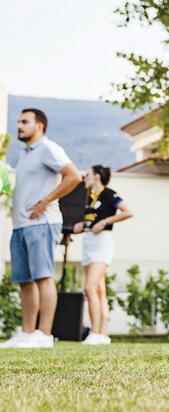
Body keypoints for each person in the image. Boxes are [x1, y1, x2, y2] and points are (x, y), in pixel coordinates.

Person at [2, 109, 82, 349]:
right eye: (18, 122)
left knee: (43, 277)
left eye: (25, 121)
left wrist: (45, 201)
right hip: (21, 226)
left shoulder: (48, 148)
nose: (19, 125)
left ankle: (44, 335)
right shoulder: (25, 154)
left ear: (40, 126)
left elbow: (73, 176)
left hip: (42, 224)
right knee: (25, 281)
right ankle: (27, 333)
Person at [71, 165, 133, 346]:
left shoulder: (109, 194)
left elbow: (128, 212)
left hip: (102, 244)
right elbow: (91, 221)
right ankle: (103, 334)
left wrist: (105, 221)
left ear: (97, 176)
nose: (85, 177)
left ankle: (95, 333)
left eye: (88, 174)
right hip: (89, 244)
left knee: (89, 288)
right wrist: (82, 225)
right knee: (99, 290)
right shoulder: (89, 198)